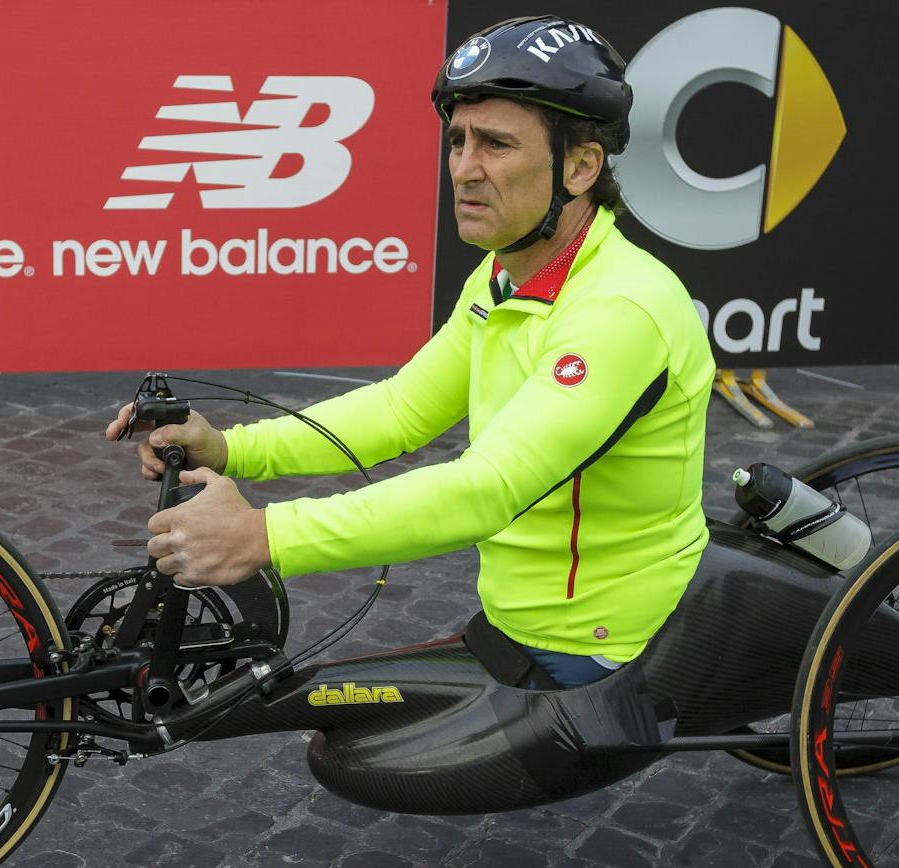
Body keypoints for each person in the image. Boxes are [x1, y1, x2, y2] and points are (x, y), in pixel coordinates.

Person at [106, 16, 713, 689]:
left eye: (496, 144)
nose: (465, 168)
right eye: (457, 141)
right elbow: (401, 411)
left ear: (579, 166)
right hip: (515, 620)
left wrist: (265, 537)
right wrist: (231, 449)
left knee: (340, 746)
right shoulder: (503, 275)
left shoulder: (621, 309)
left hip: (598, 647)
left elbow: (486, 490)